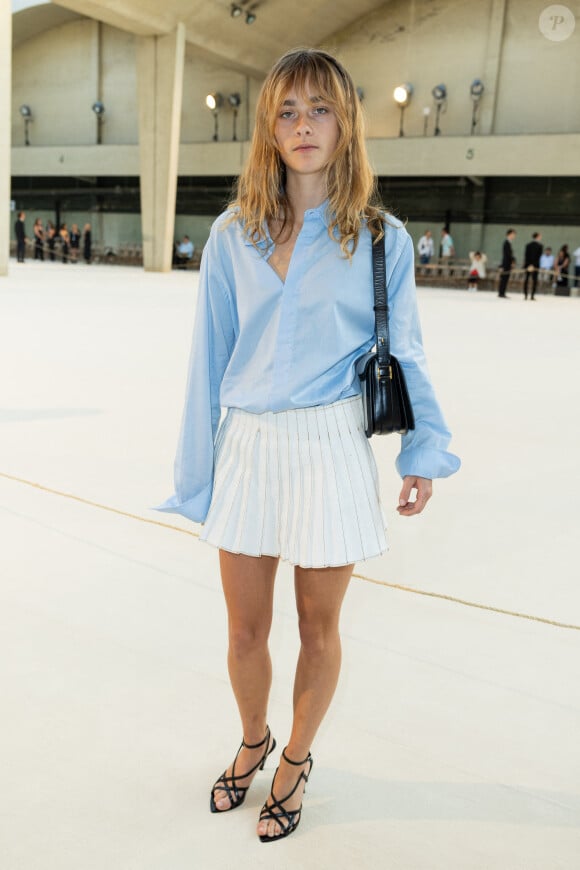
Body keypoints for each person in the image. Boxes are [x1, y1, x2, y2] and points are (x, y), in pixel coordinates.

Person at [157, 48, 460, 844]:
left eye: (318, 109)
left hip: (330, 443)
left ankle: (293, 761)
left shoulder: (380, 239)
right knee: (244, 633)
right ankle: (253, 738)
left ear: (345, 122)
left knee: (319, 629)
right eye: (287, 112)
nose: (302, 126)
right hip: (249, 445)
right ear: (268, 129)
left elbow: (412, 353)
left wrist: (423, 450)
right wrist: (197, 473)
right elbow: (206, 361)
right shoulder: (232, 235)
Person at [522, 232, 543, 301]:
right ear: (537, 237)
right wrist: (533, 265)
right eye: (540, 236)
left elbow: (526, 256)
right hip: (535, 265)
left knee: (526, 280)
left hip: (528, 265)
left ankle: (525, 295)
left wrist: (529, 264)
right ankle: (532, 296)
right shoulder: (540, 246)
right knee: (534, 280)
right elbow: (538, 257)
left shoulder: (528, 245)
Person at [498, 228, 516, 298]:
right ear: (510, 234)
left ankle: (502, 292)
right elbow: (508, 254)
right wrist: (513, 260)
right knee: (504, 278)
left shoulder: (509, 243)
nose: (514, 236)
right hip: (506, 263)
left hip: (507, 263)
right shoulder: (506, 243)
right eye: (513, 234)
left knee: (505, 278)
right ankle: (501, 293)